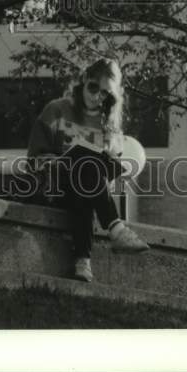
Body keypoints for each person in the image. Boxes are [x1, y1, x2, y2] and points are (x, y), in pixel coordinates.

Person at [26, 58, 150, 282]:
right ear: (84, 80)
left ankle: (83, 262)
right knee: (84, 160)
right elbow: (34, 159)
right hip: (51, 185)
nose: (96, 97)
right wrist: (60, 162)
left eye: (105, 94)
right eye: (93, 87)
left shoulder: (109, 128)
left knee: (87, 173)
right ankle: (116, 230)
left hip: (81, 193)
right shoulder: (56, 110)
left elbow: (103, 182)